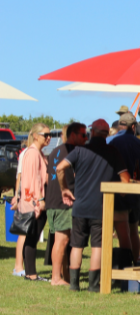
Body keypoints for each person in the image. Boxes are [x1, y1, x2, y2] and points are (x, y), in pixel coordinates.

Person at [56, 119, 130, 292]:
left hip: (80, 205)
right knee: (97, 245)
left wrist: (64, 189)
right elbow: (125, 178)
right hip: (101, 206)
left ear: (92, 132)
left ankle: (74, 284)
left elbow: (60, 168)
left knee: (77, 245)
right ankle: (93, 284)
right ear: (106, 134)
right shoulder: (112, 152)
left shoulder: (80, 150)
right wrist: (121, 193)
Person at [45, 122, 87, 286]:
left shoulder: (55, 150)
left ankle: (62, 275)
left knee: (60, 240)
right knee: (62, 241)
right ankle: (56, 277)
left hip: (52, 201)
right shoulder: (74, 152)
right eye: (83, 135)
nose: (85, 139)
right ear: (73, 135)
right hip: (63, 202)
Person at [107, 112, 140, 262]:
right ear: (133, 127)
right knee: (133, 230)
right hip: (137, 190)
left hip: (116, 189)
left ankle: (122, 265)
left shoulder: (111, 143)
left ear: (120, 125)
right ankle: (133, 263)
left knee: (119, 230)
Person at [18, 123, 51, 281]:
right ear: (36, 136)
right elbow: (32, 180)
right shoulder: (32, 154)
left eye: (50, 135)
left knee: (32, 236)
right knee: (32, 237)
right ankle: (30, 274)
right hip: (34, 202)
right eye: (46, 135)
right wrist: (39, 200)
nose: (49, 138)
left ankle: (30, 273)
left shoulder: (39, 153)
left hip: (35, 201)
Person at [10, 135, 34, 277]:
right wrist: (17, 196)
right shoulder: (26, 153)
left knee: (26, 231)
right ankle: (18, 267)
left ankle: (20, 266)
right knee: (23, 231)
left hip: (28, 196)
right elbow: (19, 176)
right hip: (26, 196)